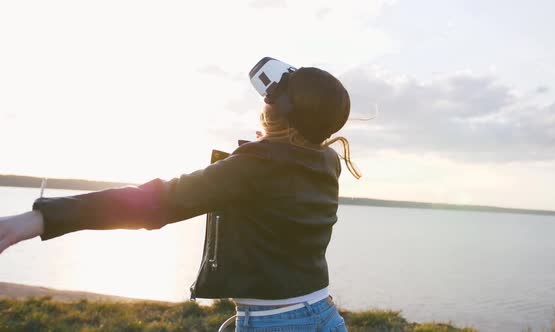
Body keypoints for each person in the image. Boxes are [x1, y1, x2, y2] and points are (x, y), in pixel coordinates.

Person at [0, 57, 360, 332]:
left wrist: (38, 218)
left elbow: (155, 202)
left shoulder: (256, 167)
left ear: (275, 112)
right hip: (324, 316)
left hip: (277, 322)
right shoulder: (325, 162)